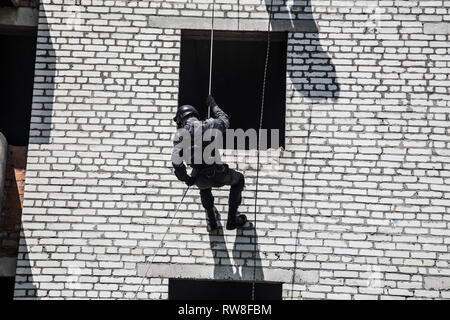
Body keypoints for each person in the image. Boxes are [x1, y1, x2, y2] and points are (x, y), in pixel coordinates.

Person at [171, 95, 250, 232]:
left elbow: (177, 165)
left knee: (204, 188)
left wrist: (188, 180)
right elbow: (225, 121)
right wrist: (213, 105)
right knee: (239, 180)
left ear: (182, 120)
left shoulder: (180, 135)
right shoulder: (210, 124)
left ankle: (212, 221)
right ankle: (232, 219)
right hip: (219, 174)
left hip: (200, 178)